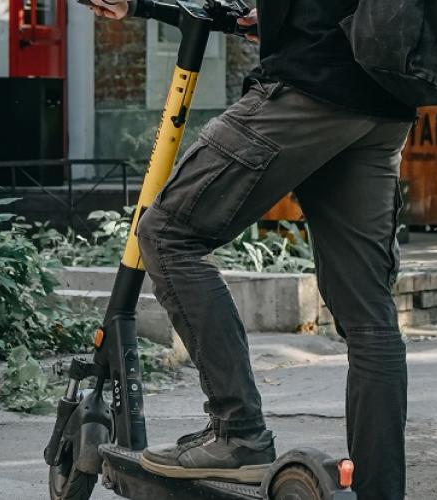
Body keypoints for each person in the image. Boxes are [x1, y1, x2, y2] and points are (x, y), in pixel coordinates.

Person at [87, 1, 415, 498]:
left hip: (310, 87)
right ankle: (380, 491)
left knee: (166, 233)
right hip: (385, 104)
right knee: (371, 320)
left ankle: (237, 431)